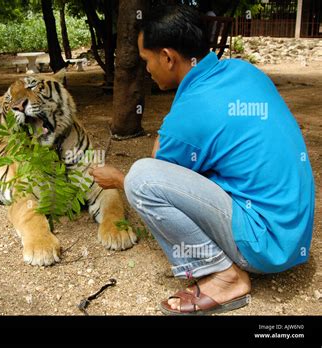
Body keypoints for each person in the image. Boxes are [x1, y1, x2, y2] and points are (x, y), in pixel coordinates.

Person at [89, 4, 314, 315]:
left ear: (167, 57)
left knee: (141, 178)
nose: (147, 70)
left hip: (264, 246)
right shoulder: (242, 71)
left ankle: (225, 277)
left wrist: (119, 180)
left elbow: (159, 169)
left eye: (147, 61)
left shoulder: (192, 113)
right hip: (291, 234)